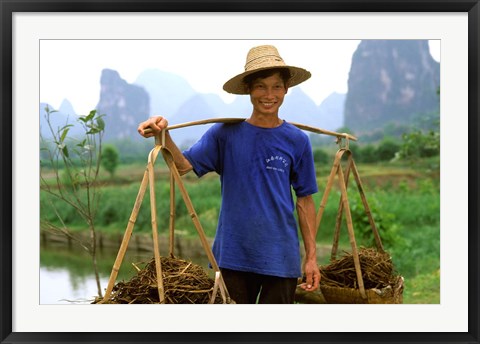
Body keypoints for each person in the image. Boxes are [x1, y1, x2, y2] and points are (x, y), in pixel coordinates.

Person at [138, 45, 321, 304]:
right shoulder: (225, 134)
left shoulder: (297, 141)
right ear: (248, 89)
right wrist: (162, 133)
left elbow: (305, 200)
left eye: (276, 86)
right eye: (260, 86)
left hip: (281, 258)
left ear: (286, 89)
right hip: (234, 257)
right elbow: (183, 165)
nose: (269, 95)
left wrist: (311, 257)